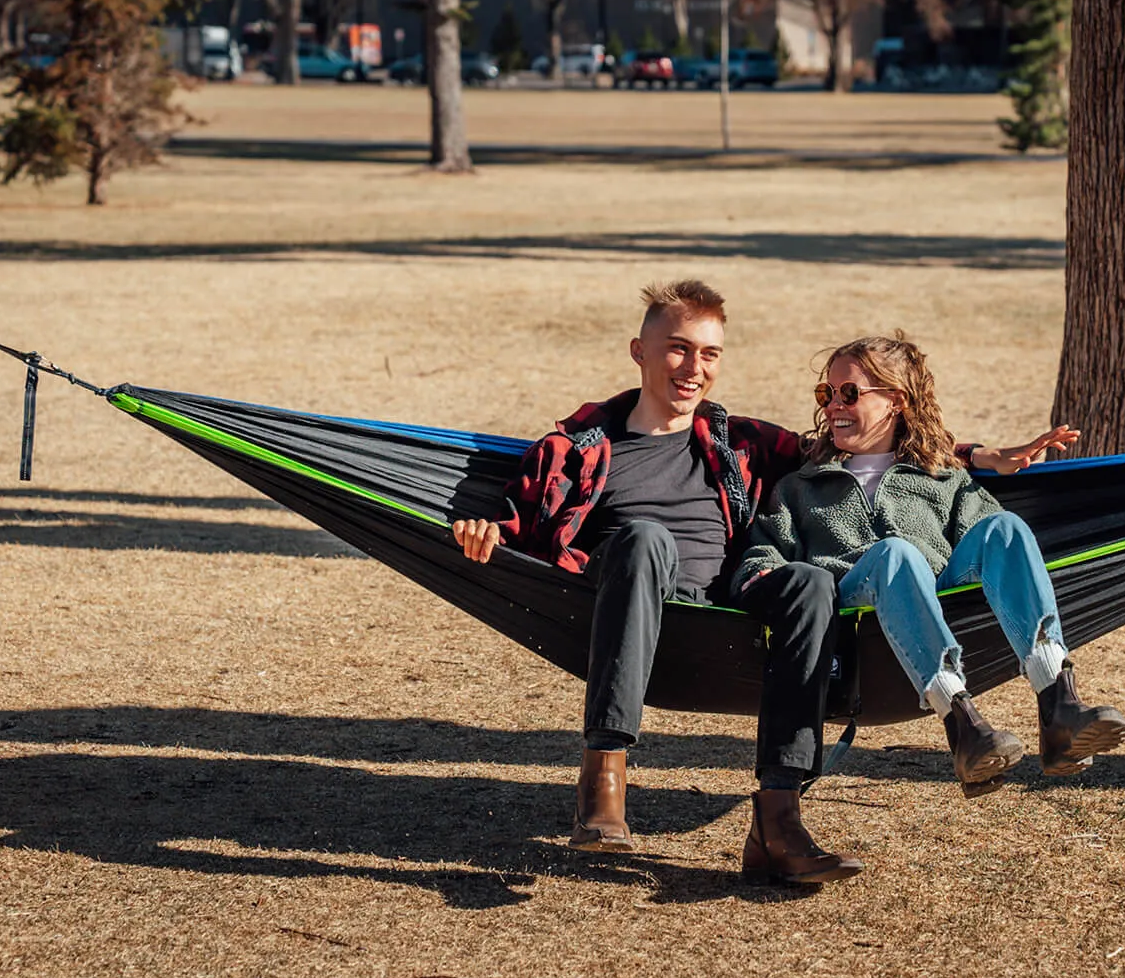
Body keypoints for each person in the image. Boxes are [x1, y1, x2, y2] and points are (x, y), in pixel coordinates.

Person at [450, 283, 1072, 886]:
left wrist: (978, 455)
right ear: (639, 352)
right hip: (640, 600)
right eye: (678, 348)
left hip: (731, 605)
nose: (693, 367)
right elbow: (521, 520)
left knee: (808, 581)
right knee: (644, 537)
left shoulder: (738, 440)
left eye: (709, 353)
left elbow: (866, 441)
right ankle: (603, 776)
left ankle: (780, 820)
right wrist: (488, 530)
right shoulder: (579, 447)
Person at [734, 333, 1125, 804]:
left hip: (936, 600)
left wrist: (974, 459)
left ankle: (1057, 701)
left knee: (1004, 527)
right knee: (895, 553)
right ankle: (962, 724)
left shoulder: (941, 475)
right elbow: (763, 553)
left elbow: (996, 552)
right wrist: (763, 582)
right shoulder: (801, 485)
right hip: (853, 613)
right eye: (827, 393)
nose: (834, 405)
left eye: (850, 393)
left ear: (895, 401)